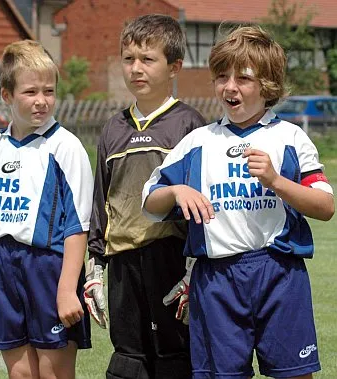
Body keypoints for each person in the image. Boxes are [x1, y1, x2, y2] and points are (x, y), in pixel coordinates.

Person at [142, 25, 334, 379]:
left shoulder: (290, 138)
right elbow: (151, 202)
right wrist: (176, 192)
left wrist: (277, 181)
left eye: (243, 78)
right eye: (221, 76)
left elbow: (325, 207)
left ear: (269, 85)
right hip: (216, 278)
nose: (230, 86)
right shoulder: (197, 142)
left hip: (279, 272)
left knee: (295, 373)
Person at [84, 14, 206, 379]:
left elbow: (202, 201)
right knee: (128, 357)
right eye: (128, 59)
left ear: (175, 67)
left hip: (171, 259)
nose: (136, 68)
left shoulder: (189, 124)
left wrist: (194, 269)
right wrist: (94, 268)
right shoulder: (112, 127)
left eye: (147, 59)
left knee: (173, 355)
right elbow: (100, 201)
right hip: (123, 261)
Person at [0, 39, 94, 379]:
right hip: (2, 267)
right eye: (30, 92)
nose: (41, 101)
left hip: (49, 267)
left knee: (54, 371)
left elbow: (78, 226)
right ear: (7, 95)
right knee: (21, 373)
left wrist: (67, 288)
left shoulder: (66, 147)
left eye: (49, 91)